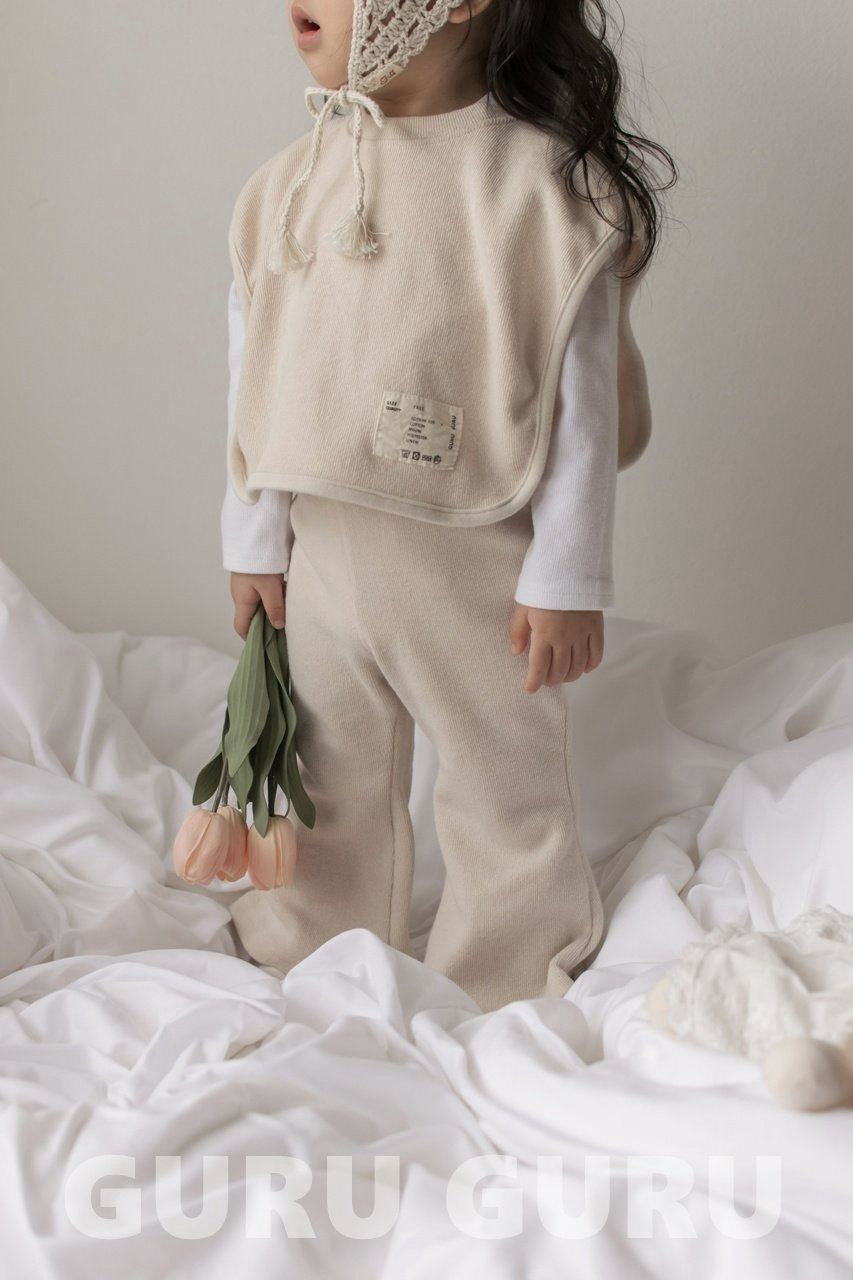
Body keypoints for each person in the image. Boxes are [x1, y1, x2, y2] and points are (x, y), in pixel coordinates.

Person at [221, 0, 676, 1013]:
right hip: (320, 548)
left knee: (498, 765)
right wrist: (252, 539)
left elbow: (577, 404)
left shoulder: (545, 189)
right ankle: (309, 939)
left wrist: (566, 575)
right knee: (326, 761)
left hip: (469, 553)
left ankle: (508, 960)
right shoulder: (287, 187)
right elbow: (255, 381)